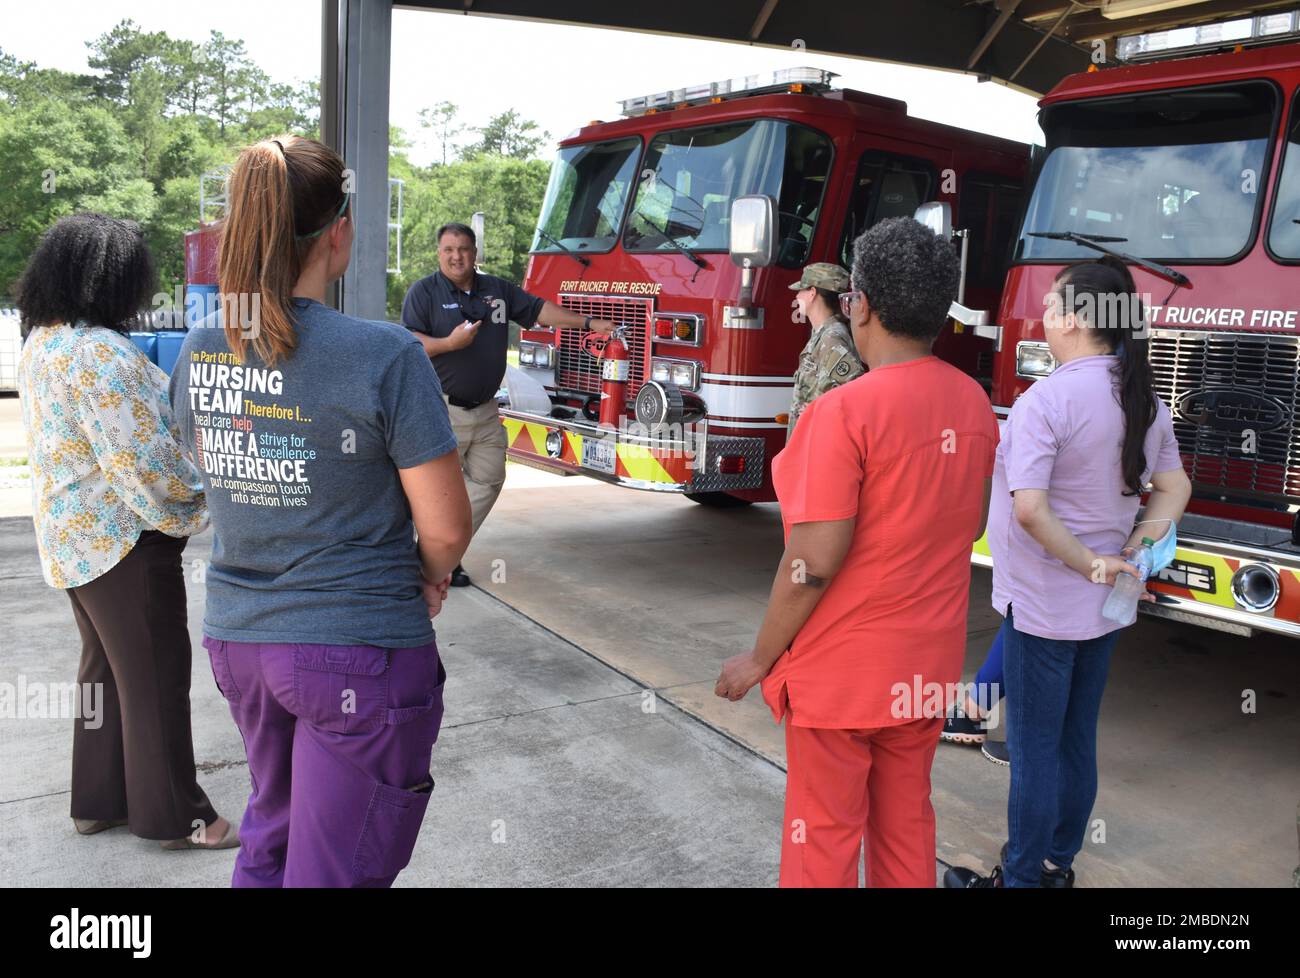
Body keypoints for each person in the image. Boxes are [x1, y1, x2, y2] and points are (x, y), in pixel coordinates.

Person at [170, 135, 473, 887]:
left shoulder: (200, 347)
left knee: (271, 837)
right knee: (334, 866)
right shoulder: (385, 354)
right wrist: (428, 578)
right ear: (339, 229)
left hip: (242, 646)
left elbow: (214, 475)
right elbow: (444, 527)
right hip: (356, 648)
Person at [713, 217, 999, 887]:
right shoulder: (973, 403)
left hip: (841, 679)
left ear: (860, 303)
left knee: (823, 840)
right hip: (923, 670)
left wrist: (761, 656)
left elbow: (812, 562)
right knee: (905, 829)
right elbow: (973, 520)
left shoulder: (843, 414)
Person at [945, 255, 1191, 889]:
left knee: (1032, 750)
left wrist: (1090, 563)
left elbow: (1030, 510)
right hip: (1105, 609)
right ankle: (1057, 865)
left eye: (1052, 306)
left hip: (1047, 607)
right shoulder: (1143, 399)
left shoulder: (1046, 401)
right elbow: (1174, 487)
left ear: (1080, 319)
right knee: (1076, 740)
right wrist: (1132, 550)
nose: (1043, 318)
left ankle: (1023, 879)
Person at [14, 213, 235, 850]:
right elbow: (146, 464)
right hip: (123, 543)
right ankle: (182, 817)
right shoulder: (102, 353)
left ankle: (98, 802)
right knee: (156, 679)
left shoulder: (43, 342)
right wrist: (206, 501)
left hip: (71, 542)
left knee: (104, 674)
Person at [400, 223, 615, 587]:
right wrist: (449, 344)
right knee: (431, 491)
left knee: (489, 479)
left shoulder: (496, 291)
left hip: (485, 411)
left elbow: (537, 310)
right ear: (439, 253)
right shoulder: (424, 292)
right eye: (449, 249)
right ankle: (426, 559)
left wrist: (589, 322)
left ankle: (443, 553)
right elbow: (410, 341)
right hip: (441, 410)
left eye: (464, 249)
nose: (457, 256)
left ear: (475, 252)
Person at [786, 262, 864, 437]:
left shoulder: (831, 338)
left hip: (818, 450)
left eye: (801, 290)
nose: (797, 295)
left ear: (812, 293)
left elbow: (856, 393)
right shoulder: (822, 336)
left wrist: (819, 412)